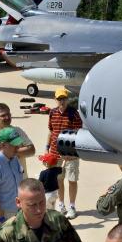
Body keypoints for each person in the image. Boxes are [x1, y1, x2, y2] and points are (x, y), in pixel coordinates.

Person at [48, 88, 83, 219]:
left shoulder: (74, 114)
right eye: (59, 99)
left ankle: (72, 206)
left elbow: (79, 134)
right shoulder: (52, 113)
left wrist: (74, 153)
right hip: (55, 155)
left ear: (67, 99)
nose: (61, 101)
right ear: (55, 100)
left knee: (72, 180)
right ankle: (61, 205)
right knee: (59, 180)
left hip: (71, 155)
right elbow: (51, 132)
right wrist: (48, 148)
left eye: (63, 98)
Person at [0, 103, 35, 176]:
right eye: (3, 115)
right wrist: (20, 151)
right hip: (6, 182)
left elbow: (31, 150)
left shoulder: (17, 130)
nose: (7, 117)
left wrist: (10, 151)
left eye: (8, 114)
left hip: (22, 180)